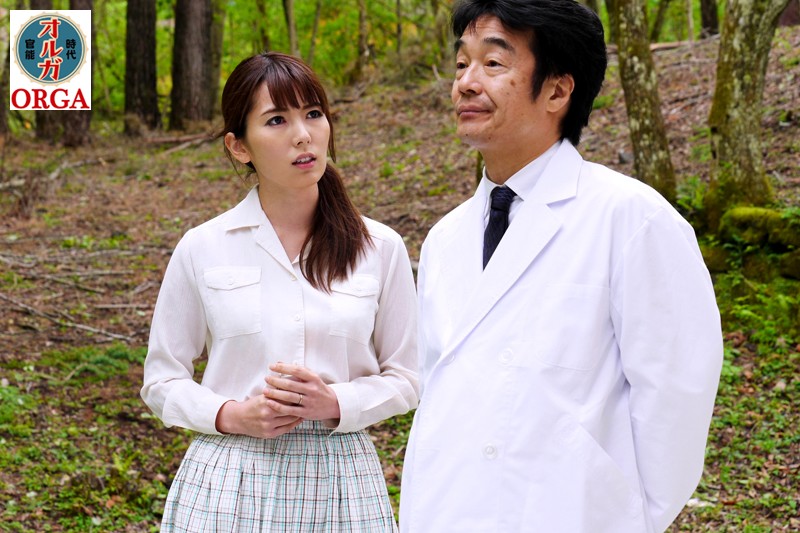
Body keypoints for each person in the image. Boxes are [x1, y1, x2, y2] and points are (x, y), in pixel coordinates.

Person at [399, 1, 723, 532]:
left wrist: (626, 515)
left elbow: (677, 392)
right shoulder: (445, 239)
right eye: (461, 64)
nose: (465, 83)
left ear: (557, 90)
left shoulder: (630, 218)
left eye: (492, 63)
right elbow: (438, 394)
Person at [141, 52, 418, 532]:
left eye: (313, 113)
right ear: (239, 146)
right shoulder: (204, 247)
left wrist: (336, 402)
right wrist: (232, 414)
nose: (303, 134)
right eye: (276, 120)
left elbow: (409, 377)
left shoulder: (380, 247)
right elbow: (162, 381)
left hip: (340, 479)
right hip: (230, 480)